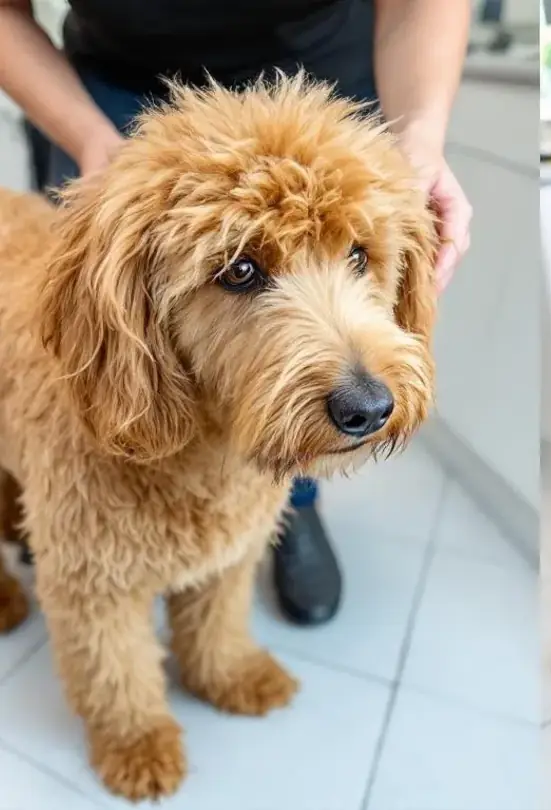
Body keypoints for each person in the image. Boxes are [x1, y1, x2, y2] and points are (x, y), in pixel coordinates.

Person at [0, 0, 472, 627]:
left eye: (357, 256)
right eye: (242, 273)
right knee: (105, 432)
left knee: (257, 461)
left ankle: (287, 513)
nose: (366, 394)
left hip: (316, 67)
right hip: (106, 86)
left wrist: (420, 142)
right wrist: (89, 136)